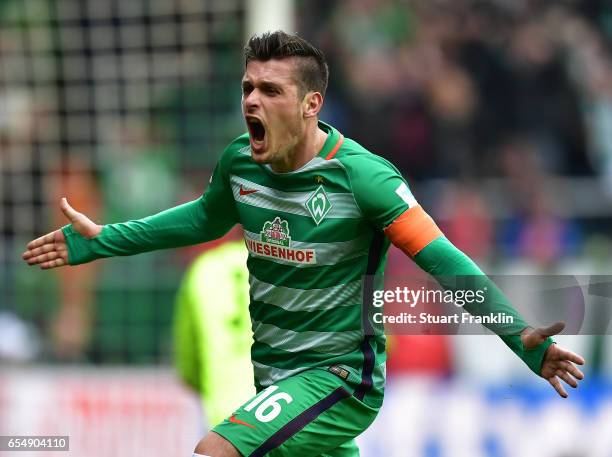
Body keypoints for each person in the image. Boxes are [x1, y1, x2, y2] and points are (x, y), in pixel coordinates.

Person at [23, 31, 585, 457]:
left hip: (340, 380)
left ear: (312, 104)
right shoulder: (240, 161)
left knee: (213, 451)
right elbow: (203, 219)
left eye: (271, 90)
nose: (252, 102)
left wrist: (522, 340)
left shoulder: (365, 177)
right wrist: (103, 240)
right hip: (276, 377)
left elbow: (443, 260)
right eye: (248, 87)